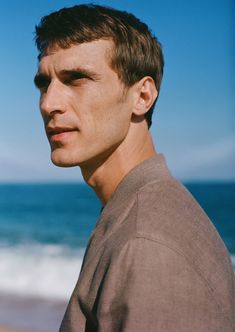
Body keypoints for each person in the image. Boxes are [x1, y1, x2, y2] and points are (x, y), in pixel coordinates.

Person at [34, 4, 235, 331]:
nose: (48, 103)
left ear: (142, 96)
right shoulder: (132, 211)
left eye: (77, 79)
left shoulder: (149, 244)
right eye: (44, 83)